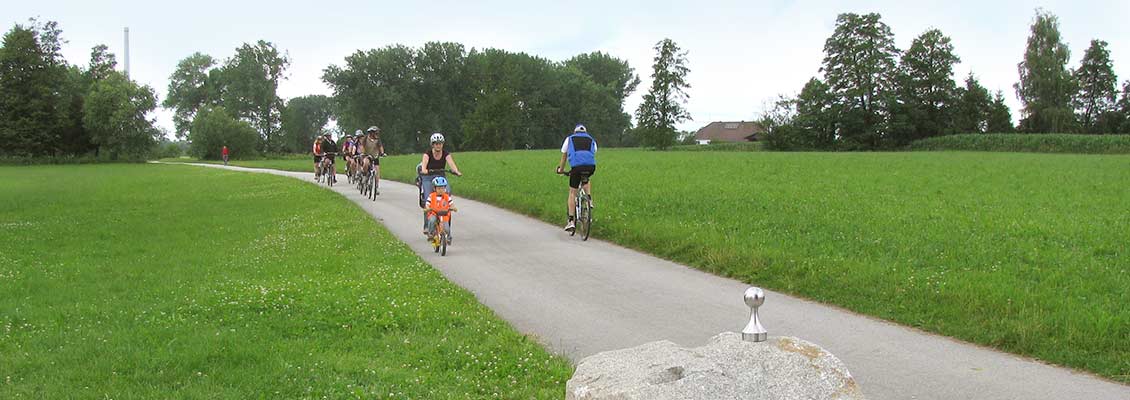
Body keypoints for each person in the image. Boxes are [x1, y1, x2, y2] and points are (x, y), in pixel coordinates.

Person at [555, 124, 596, 232]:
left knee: (572, 193)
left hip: (576, 168)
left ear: (575, 132)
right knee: (586, 178)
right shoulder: (591, 139)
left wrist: (561, 170)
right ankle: (589, 199)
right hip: (591, 167)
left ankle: (571, 221)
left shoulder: (569, 139)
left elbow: (564, 158)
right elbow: (592, 153)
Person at [419, 132, 463, 233]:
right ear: (432, 145)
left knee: (447, 195)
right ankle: (427, 225)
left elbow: (451, 164)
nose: (438, 145)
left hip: (440, 177)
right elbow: (424, 165)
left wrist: (456, 171)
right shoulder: (428, 153)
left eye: (440, 143)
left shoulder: (446, 153)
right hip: (428, 177)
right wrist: (424, 170)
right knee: (428, 198)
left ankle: (447, 225)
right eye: (436, 143)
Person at [424, 176, 458, 242]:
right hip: (434, 213)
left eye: (442, 188)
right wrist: (427, 208)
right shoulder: (431, 196)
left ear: (445, 188)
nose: (441, 190)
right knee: (432, 220)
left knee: (446, 227)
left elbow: (451, 203)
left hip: (444, 214)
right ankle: (431, 233)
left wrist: (453, 208)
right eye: (439, 188)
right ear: (435, 188)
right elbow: (427, 203)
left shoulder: (447, 196)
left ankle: (448, 237)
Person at [357, 126, 386, 193]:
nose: (376, 134)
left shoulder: (377, 140)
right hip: (367, 156)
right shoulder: (365, 139)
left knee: (377, 172)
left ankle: (376, 187)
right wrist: (363, 153)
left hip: (375, 157)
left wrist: (382, 153)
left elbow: (380, 147)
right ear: (371, 133)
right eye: (375, 132)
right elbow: (362, 146)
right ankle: (364, 176)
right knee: (366, 164)